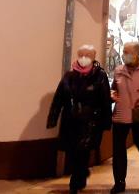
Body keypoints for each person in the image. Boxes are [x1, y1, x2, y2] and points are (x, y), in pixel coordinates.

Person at [47, 45, 112, 194]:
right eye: (81, 54)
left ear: (93, 58)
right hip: (70, 121)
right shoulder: (69, 76)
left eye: (87, 55)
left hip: (90, 123)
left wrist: (106, 122)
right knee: (72, 152)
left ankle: (75, 184)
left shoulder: (99, 75)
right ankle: (81, 175)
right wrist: (53, 118)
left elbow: (105, 100)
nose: (83, 58)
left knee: (83, 153)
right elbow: (59, 98)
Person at [110, 41, 139, 194]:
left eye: (128, 52)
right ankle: (119, 182)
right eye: (124, 51)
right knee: (118, 150)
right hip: (120, 114)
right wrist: (112, 94)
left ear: (137, 54)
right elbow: (114, 88)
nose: (124, 55)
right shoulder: (118, 70)